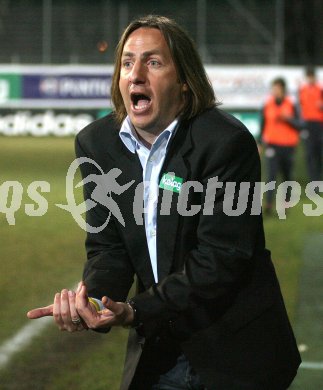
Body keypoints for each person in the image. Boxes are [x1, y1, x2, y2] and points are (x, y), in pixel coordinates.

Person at [27, 15, 301, 390]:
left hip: (235, 351)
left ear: (184, 81)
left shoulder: (225, 142)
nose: (136, 74)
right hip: (160, 350)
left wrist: (137, 310)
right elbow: (108, 248)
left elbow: (221, 259)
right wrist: (91, 298)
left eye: (153, 62)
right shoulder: (97, 145)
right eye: (127, 62)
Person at [258, 77, 300, 215]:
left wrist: (288, 119)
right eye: (273, 89)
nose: (275, 91)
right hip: (272, 145)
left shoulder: (291, 105)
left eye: (277, 89)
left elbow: (301, 124)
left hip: (288, 146)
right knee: (271, 175)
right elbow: (263, 125)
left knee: (287, 176)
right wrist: (259, 143)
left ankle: (286, 204)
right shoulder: (267, 105)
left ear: (283, 89)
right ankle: (268, 204)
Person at [298, 66, 323, 182]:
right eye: (309, 76)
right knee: (309, 152)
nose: (310, 79)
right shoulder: (302, 90)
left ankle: (318, 177)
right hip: (307, 123)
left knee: (319, 152)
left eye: (312, 76)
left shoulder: (320, 89)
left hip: (319, 123)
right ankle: (313, 180)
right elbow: (300, 106)